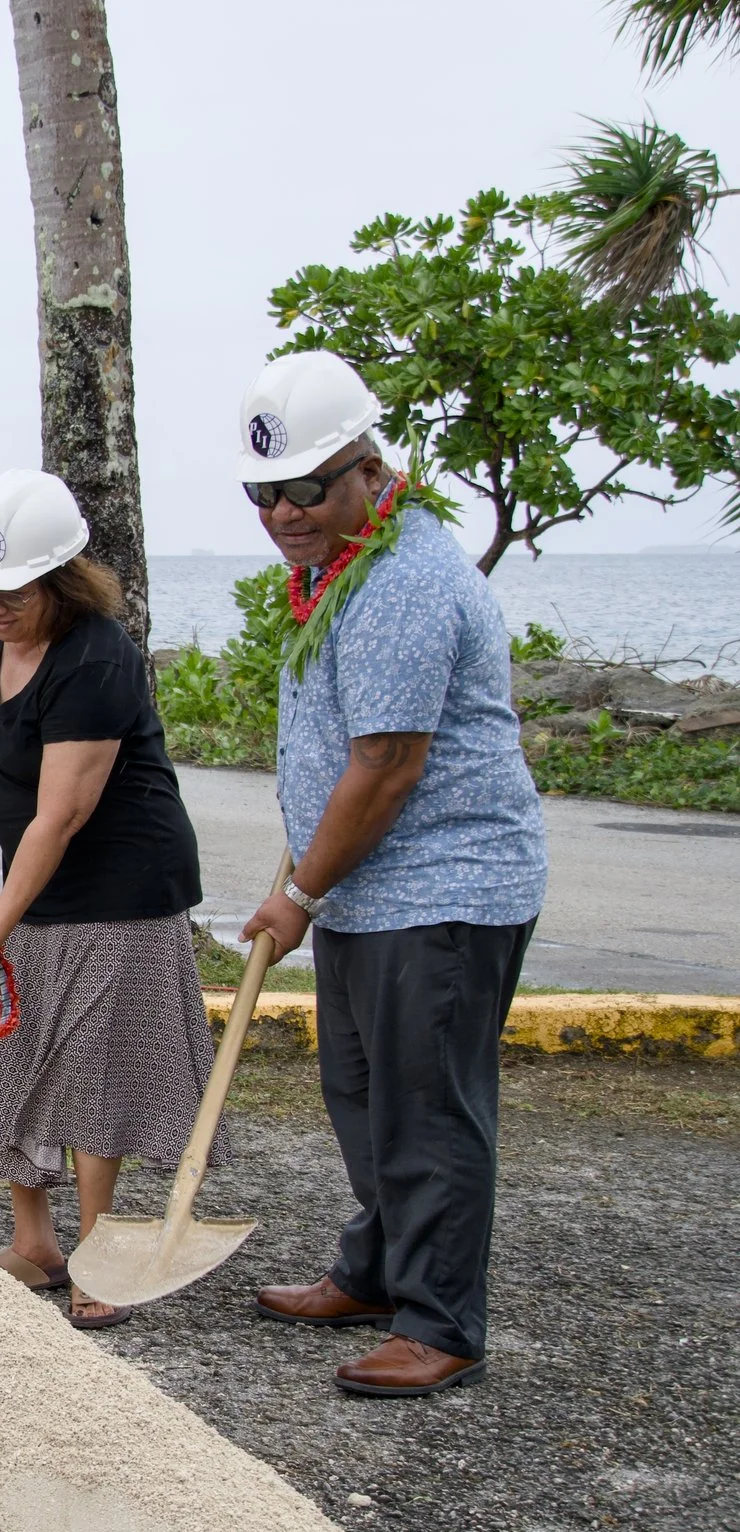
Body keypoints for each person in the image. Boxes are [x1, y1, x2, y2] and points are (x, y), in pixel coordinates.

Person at [234, 351, 547, 1398]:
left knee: (427, 1106)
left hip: (442, 887)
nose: (283, 512)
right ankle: (374, 1271)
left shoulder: (405, 579)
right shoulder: (344, 565)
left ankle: (440, 1318)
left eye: (307, 489)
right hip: (371, 892)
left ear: (368, 467)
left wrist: (298, 895)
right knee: (360, 1090)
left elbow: (386, 764)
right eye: (264, 493)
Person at [0, 470, 212, 1329]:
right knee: (10, 1057)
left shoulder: (98, 658)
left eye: (13, 592)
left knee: (93, 1067)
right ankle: (36, 1244)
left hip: (116, 884)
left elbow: (60, 816)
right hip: (29, 875)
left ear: (61, 579)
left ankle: (98, 1249)